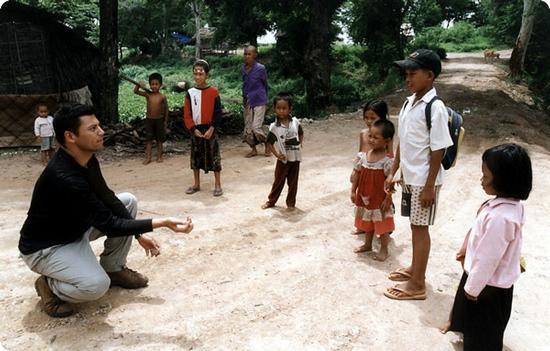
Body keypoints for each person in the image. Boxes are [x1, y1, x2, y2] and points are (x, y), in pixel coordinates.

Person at [19, 103, 194, 318]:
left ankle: (113, 267)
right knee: (96, 286)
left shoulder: (86, 159)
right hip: (47, 248)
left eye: (99, 126)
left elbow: (108, 198)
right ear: (70, 136)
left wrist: (138, 234)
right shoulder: (65, 178)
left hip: (75, 229)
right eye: (92, 128)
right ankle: (49, 286)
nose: (101, 132)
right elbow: (110, 224)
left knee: (127, 201)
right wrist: (163, 222)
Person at [440, 143, 532, 351]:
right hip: (480, 274)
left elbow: (489, 258)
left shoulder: (501, 217)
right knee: (465, 309)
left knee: (483, 332)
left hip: (488, 285)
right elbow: (476, 232)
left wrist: (473, 287)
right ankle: (457, 324)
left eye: (486, 177)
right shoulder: (506, 205)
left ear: (505, 181)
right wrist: (466, 249)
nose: (481, 181)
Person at [384, 49, 453, 300]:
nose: (408, 79)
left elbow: (438, 149)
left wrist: (428, 186)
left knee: (420, 228)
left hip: (425, 180)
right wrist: (393, 172)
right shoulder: (409, 102)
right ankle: (415, 269)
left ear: (430, 75)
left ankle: (418, 284)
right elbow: (404, 141)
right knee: (415, 226)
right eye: (406, 74)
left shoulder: (435, 107)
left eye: (413, 74)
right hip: (410, 179)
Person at [351, 119, 395, 261]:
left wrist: (388, 199)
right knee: (367, 221)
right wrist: (353, 191)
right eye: (370, 136)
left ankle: (384, 249)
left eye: (376, 137)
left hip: (379, 198)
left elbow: (391, 183)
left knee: (381, 224)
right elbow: (357, 174)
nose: (371, 139)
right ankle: (367, 244)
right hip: (364, 195)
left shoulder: (387, 162)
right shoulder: (363, 157)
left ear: (387, 141)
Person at [350, 99, 394, 235]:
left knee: (380, 202)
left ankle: (384, 228)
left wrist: (390, 174)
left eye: (373, 118)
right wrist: (354, 171)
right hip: (364, 170)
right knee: (362, 199)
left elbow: (390, 155)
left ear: (381, 118)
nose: (369, 121)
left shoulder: (385, 136)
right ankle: (363, 226)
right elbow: (360, 152)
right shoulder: (363, 134)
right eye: (366, 118)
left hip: (379, 172)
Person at [183, 59, 223, 197]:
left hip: (210, 128)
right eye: (195, 73)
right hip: (196, 129)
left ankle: (218, 184)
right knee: (195, 157)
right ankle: (196, 184)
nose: (198, 76)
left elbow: (218, 112)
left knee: (215, 157)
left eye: (201, 74)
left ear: (207, 75)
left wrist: (212, 128)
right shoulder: (190, 93)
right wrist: (193, 129)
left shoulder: (214, 92)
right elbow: (187, 114)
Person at [261, 93, 303, 211]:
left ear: (290, 109)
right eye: (278, 108)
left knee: (293, 182)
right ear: (274, 109)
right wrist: (276, 154)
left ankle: (291, 203)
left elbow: (300, 132)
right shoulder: (274, 127)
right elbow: (269, 143)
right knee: (278, 181)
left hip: (295, 158)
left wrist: (300, 143)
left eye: (284, 108)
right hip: (283, 159)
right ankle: (271, 201)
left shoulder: (295, 122)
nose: (281, 111)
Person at [134, 72, 169, 164]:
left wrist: (165, 121)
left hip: (159, 120)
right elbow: (136, 92)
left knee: (159, 140)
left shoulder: (162, 96)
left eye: (156, 84)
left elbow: (166, 109)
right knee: (149, 140)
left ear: (160, 85)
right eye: (152, 84)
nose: (154, 86)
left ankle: (159, 156)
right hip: (149, 120)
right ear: (149, 85)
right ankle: (148, 158)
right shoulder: (147, 95)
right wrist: (138, 85)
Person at [242, 45, 269, 158]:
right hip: (248, 100)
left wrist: (265, 99)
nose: (247, 56)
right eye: (245, 54)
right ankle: (253, 149)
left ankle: (268, 143)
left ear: (255, 55)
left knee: (256, 127)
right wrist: (244, 98)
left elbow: (265, 84)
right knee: (248, 128)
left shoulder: (260, 68)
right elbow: (244, 84)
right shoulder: (243, 68)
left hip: (260, 100)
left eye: (249, 54)